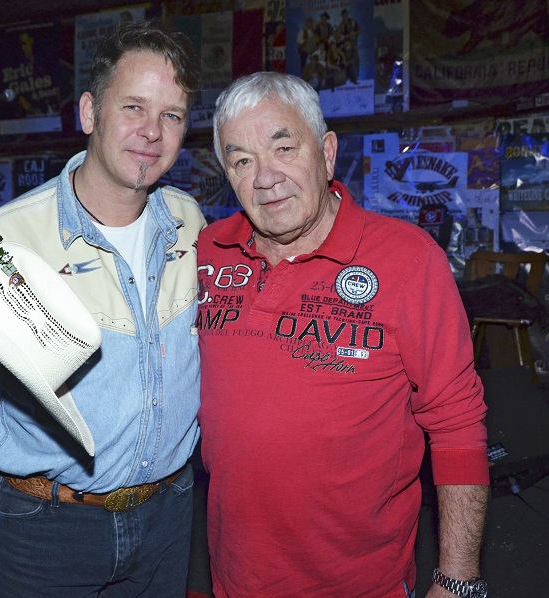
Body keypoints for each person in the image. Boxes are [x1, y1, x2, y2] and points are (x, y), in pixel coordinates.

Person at [0, 20, 204, 597]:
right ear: (89, 112)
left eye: (172, 115)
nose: (152, 132)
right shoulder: (7, 242)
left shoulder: (191, 223)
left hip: (170, 517)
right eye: (133, 107)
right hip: (50, 530)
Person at [196, 72, 490, 598]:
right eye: (241, 161)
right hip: (235, 580)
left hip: (361, 585)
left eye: (284, 148)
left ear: (327, 153)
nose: (266, 177)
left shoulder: (408, 261)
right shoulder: (206, 254)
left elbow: (458, 424)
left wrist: (458, 579)